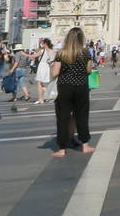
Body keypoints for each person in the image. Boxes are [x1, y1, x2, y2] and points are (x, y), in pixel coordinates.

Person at [51, 28, 95, 157]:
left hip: (65, 87)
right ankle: (85, 145)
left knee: (63, 117)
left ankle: (62, 148)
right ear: (81, 39)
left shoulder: (61, 53)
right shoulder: (86, 53)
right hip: (81, 86)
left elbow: (55, 73)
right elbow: (89, 70)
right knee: (82, 115)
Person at [35, 38, 56, 104]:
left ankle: (41, 98)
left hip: (43, 66)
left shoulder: (43, 51)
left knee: (39, 82)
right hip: (48, 66)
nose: (42, 44)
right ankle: (47, 95)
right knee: (42, 82)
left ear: (45, 44)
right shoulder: (51, 50)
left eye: (42, 43)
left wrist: (25, 54)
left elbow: (34, 55)